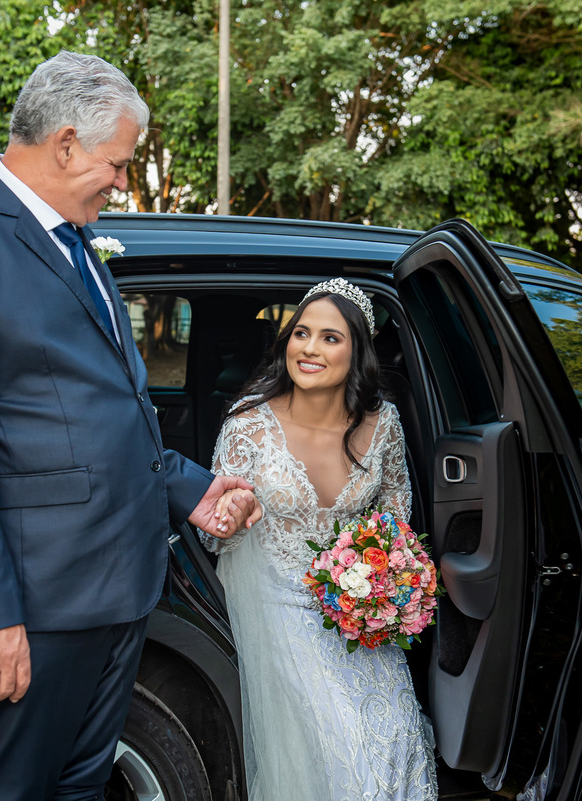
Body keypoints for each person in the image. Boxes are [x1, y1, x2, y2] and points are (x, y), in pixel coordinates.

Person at [0, 52, 260, 801]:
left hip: (113, 595)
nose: (121, 181)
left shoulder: (76, 244)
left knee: (81, 789)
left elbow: (95, 410)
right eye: (115, 163)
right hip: (28, 608)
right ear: (63, 145)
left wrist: (189, 487)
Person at [207, 278, 437, 800]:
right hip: (272, 597)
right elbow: (215, 536)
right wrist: (228, 516)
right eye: (301, 333)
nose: (309, 348)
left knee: (395, 732)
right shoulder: (247, 424)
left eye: (330, 338)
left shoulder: (384, 424)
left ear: (357, 353)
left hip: (356, 609)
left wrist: (387, 583)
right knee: (341, 744)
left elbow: (395, 525)